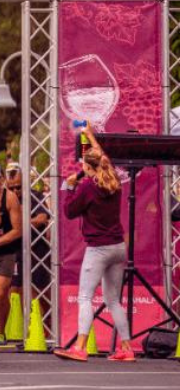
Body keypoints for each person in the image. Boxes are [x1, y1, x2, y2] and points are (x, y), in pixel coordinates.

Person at [53, 127, 134, 362]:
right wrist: (89, 135)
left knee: (85, 297)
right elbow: (102, 156)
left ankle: (80, 346)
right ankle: (126, 348)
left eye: (84, 168)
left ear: (88, 169)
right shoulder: (114, 180)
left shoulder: (88, 186)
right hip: (118, 247)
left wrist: (69, 187)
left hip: (98, 249)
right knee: (113, 301)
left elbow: (69, 211)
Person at [0, 161, 24, 345]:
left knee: (1, 292)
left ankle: (1, 330)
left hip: (6, 251)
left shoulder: (10, 198)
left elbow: (18, 230)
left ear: (1, 179)